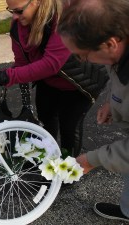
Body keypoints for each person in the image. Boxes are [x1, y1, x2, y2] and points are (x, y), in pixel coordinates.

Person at [0, 0, 93, 157]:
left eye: (19, 11)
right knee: (46, 121)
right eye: (11, 11)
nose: (15, 17)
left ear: (37, 2)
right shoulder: (18, 25)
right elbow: (22, 63)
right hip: (49, 80)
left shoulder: (65, 19)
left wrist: (4, 76)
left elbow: (51, 64)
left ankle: (68, 170)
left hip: (78, 82)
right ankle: (47, 161)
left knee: (69, 127)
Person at [57, 0, 129, 222]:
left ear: (110, 44)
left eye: (82, 55)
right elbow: (116, 74)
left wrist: (91, 159)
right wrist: (112, 100)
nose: (81, 61)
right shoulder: (119, 46)